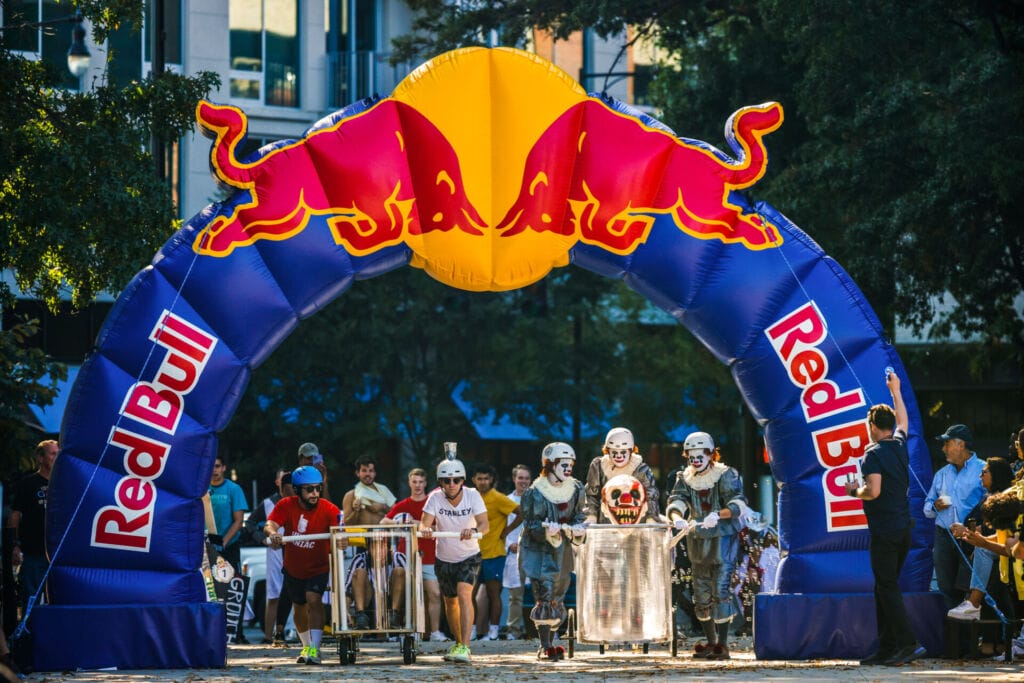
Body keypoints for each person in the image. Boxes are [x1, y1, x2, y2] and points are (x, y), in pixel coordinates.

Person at [844, 371, 925, 666]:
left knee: (887, 586)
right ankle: (887, 647)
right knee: (884, 586)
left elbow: (873, 491)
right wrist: (896, 391)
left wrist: (855, 491)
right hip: (904, 530)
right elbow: (903, 421)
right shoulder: (900, 444)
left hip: (885, 531)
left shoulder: (873, 454)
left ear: (872, 427)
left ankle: (908, 643)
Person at [666, 431, 747, 660]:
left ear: (710, 454)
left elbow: (738, 503)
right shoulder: (685, 477)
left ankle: (722, 645)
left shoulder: (725, 474)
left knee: (720, 591)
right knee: (700, 594)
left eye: (699, 455)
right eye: (691, 456)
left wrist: (718, 515)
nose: (695, 460)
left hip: (722, 539)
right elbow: (677, 500)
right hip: (697, 540)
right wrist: (676, 517)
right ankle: (711, 643)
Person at [266, 465, 342, 666]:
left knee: (313, 599)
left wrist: (342, 540)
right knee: (298, 606)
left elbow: (341, 532)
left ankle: (316, 650)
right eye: (309, 489)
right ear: (298, 490)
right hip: (293, 568)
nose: (315, 493)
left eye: (317, 488)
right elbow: (270, 524)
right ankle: (307, 647)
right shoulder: (286, 505)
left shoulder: (329, 509)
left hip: (318, 567)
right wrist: (273, 533)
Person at [518, 443, 586, 661]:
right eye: (563, 464)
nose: (568, 469)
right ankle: (545, 644)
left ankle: (552, 641)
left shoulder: (575, 488)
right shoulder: (534, 492)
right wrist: (547, 529)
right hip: (539, 551)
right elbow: (530, 524)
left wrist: (577, 528)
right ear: (550, 465)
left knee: (559, 593)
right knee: (544, 594)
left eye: (570, 465)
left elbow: (578, 515)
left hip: (562, 550)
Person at [420, 454, 489, 663]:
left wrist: (474, 529)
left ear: (463, 481)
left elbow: (485, 525)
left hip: (469, 555)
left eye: (456, 480)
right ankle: (459, 643)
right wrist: (425, 530)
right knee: (450, 603)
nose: (451, 485)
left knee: (464, 594)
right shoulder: (434, 497)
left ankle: (466, 647)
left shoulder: (473, 495)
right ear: (440, 482)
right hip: (444, 558)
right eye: (447, 481)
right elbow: (424, 523)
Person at [923, 423, 986, 610]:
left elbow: (991, 502)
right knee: (946, 587)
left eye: (947, 443)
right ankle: (953, 636)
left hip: (971, 537)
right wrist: (935, 505)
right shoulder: (941, 474)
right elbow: (926, 508)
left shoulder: (984, 469)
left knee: (969, 588)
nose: (943, 449)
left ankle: (969, 637)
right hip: (943, 535)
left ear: (961, 444)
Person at [383, 468, 445, 641]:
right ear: (409, 483)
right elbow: (384, 521)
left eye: (421, 482)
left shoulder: (432, 503)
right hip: (406, 556)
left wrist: (417, 524)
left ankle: (435, 632)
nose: (417, 485)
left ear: (426, 483)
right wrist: (401, 521)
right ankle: (403, 631)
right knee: (405, 592)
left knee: (435, 593)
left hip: (430, 557)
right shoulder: (403, 504)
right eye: (414, 481)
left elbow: (440, 526)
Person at [341, 455, 397, 630]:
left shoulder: (383, 492)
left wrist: (382, 508)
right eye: (364, 470)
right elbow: (347, 524)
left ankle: (388, 623)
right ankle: (361, 617)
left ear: (375, 473)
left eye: (371, 470)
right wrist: (356, 511)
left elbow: (395, 514)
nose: (368, 474)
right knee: (360, 580)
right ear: (358, 473)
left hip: (385, 544)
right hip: (363, 545)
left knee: (385, 583)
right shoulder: (352, 495)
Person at [469, 463, 519, 642]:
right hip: (472, 552)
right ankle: (472, 629)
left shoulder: (497, 498)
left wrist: (506, 532)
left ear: (492, 480)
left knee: (493, 593)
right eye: (479, 478)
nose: (483, 482)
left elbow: (521, 512)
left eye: (486, 478)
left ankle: (494, 631)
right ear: (473, 479)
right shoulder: (469, 496)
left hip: (494, 553)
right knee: (470, 593)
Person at [8, 440, 59, 612]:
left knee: (58, 599)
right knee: (31, 599)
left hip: (59, 554)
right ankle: (28, 635)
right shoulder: (28, 483)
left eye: (58, 453)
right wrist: (13, 545)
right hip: (34, 553)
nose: (56, 457)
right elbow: (14, 516)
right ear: (40, 458)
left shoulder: (65, 483)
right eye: (52, 453)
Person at [245, 468, 294, 645]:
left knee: (296, 593)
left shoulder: (298, 502)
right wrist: (263, 539)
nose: (287, 483)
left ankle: (293, 632)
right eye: (284, 479)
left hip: (295, 550)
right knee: (273, 593)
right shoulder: (268, 504)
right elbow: (249, 523)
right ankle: (268, 636)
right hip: (275, 552)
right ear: (277, 482)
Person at [585, 427, 659, 523]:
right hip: (606, 524)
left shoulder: (641, 470)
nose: (619, 456)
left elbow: (651, 496)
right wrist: (591, 517)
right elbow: (591, 495)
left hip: (636, 523)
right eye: (614, 452)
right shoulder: (599, 466)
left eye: (623, 452)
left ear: (631, 451)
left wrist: (651, 518)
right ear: (608, 451)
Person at [502, 464, 531, 640]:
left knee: (537, 594)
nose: (523, 481)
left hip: (533, 552)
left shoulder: (536, 499)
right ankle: (513, 630)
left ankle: (536, 630)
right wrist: (509, 543)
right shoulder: (507, 501)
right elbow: (501, 527)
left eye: (526, 478)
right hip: (514, 552)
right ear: (514, 479)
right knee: (515, 595)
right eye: (520, 478)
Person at [208, 455, 249, 576]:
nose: (214, 470)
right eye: (211, 466)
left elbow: (239, 521)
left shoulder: (234, 489)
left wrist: (224, 542)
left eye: (217, 466)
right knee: (209, 589)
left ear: (223, 468)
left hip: (229, 546)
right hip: (206, 546)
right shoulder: (201, 489)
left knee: (230, 588)